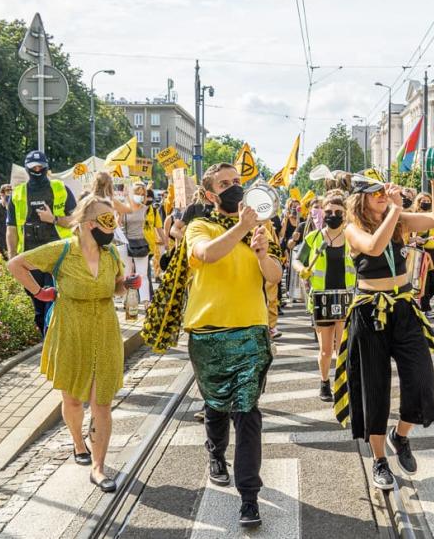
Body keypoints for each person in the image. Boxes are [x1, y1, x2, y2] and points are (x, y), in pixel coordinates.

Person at [142, 162, 280, 528]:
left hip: (251, 333)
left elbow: (276, 277)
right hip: (208, 334)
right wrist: (242, 228)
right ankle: (216, 453)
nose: (235, 187)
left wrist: (264, 255)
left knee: (247, 412)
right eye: (225, 184)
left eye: (238, 181)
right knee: (217, 404)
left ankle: (249, 496)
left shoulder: (259, 229)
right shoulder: (199, 226)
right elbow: (206, 255)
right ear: (209, 195)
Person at [7, 196, 138, 493]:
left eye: (113, 219)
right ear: (89, 224)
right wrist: (39, 292)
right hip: (70, 331)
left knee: (102, 403)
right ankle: (78, 443)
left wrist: (125, 285)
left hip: (104, 331)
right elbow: (16, 264)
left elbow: (116, 288)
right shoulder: (63, 250)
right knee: (73, 400)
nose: (112, 225)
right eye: (107, 220)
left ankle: (99, 468)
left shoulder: (110, 255)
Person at [335, 167, 434, 490]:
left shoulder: (398, 220)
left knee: (424, 379)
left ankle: (402, 435)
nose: (384, 197)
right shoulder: (352, 227)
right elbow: (372, 246)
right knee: (374, 388)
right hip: (369, 311)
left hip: (403, 307)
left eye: (385, 192)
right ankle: (379, 459)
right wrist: (396, 209)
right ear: (361, 199)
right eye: (377, 194)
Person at [7, 151, 77, 333]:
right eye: (33, 168)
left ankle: (52, 343)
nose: (37, 170)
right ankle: (45, 336)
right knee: (39, 309)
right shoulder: (18, 193)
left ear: (46, 167)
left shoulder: (61, 188)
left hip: (59, 255)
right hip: (30, 258)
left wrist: (52, 218)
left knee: (56, 303)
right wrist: (12, 257)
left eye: (40, 166)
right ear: (27, 169)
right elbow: (11, 229)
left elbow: (76, 221)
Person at [293, 193, 354, 402]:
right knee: (326, 350)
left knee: (343, 348)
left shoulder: (352, 237)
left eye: (338, 212)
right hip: (321, 299)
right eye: (329, 212)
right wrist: (302, 270)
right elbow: (297, 260)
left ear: (345, 214)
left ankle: (342, 383)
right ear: (323, 213)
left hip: (346, 298)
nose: (333, 215)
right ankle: (324, 382)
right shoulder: (314, 237)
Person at [114, 182, 153, 308]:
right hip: (125, 243)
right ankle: (126, 298)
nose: (140, 196)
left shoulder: (145, 208)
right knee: (126, 273)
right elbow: (116, 225)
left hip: (140, 242)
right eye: (137, 193)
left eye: (142, 194)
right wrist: (119, 214)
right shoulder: (124, 208)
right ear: (131, 193)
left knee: (143, 274)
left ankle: (146, 302)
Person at [412, 192, 434, 318]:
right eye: (423, 200)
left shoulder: (433, 216)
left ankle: (424, 301)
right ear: (418, 202)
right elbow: (411, 234)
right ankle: (425, 307)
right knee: (424, 280)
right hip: (420, 250)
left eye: (428, 201)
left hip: (432, 252)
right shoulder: (414, 216)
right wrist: (417, 239)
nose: (426, 203)